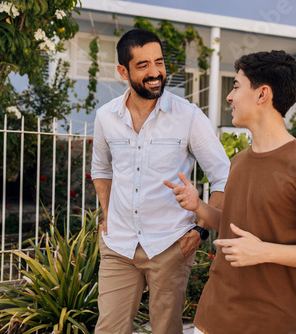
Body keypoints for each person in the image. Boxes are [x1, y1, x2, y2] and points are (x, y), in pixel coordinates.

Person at [164, 50, 296, 334]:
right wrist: (199, 207)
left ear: (262, 94)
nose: (229, 97)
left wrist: (264, 251)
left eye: (236, 86)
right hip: (212, 318)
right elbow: (235, 228)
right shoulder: (240, 161)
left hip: (269, 324)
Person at [91, 28, 230, 333]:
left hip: (170, 245)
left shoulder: (189, 116)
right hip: (118, 246)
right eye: (143, 66)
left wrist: (200, 230)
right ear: (122, 71)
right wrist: (106, 214)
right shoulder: (105, 117)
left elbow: (223, 175)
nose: (155, 72)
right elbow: (101, 170)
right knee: (108, 329)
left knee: (165, 329)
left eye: (159, 62)